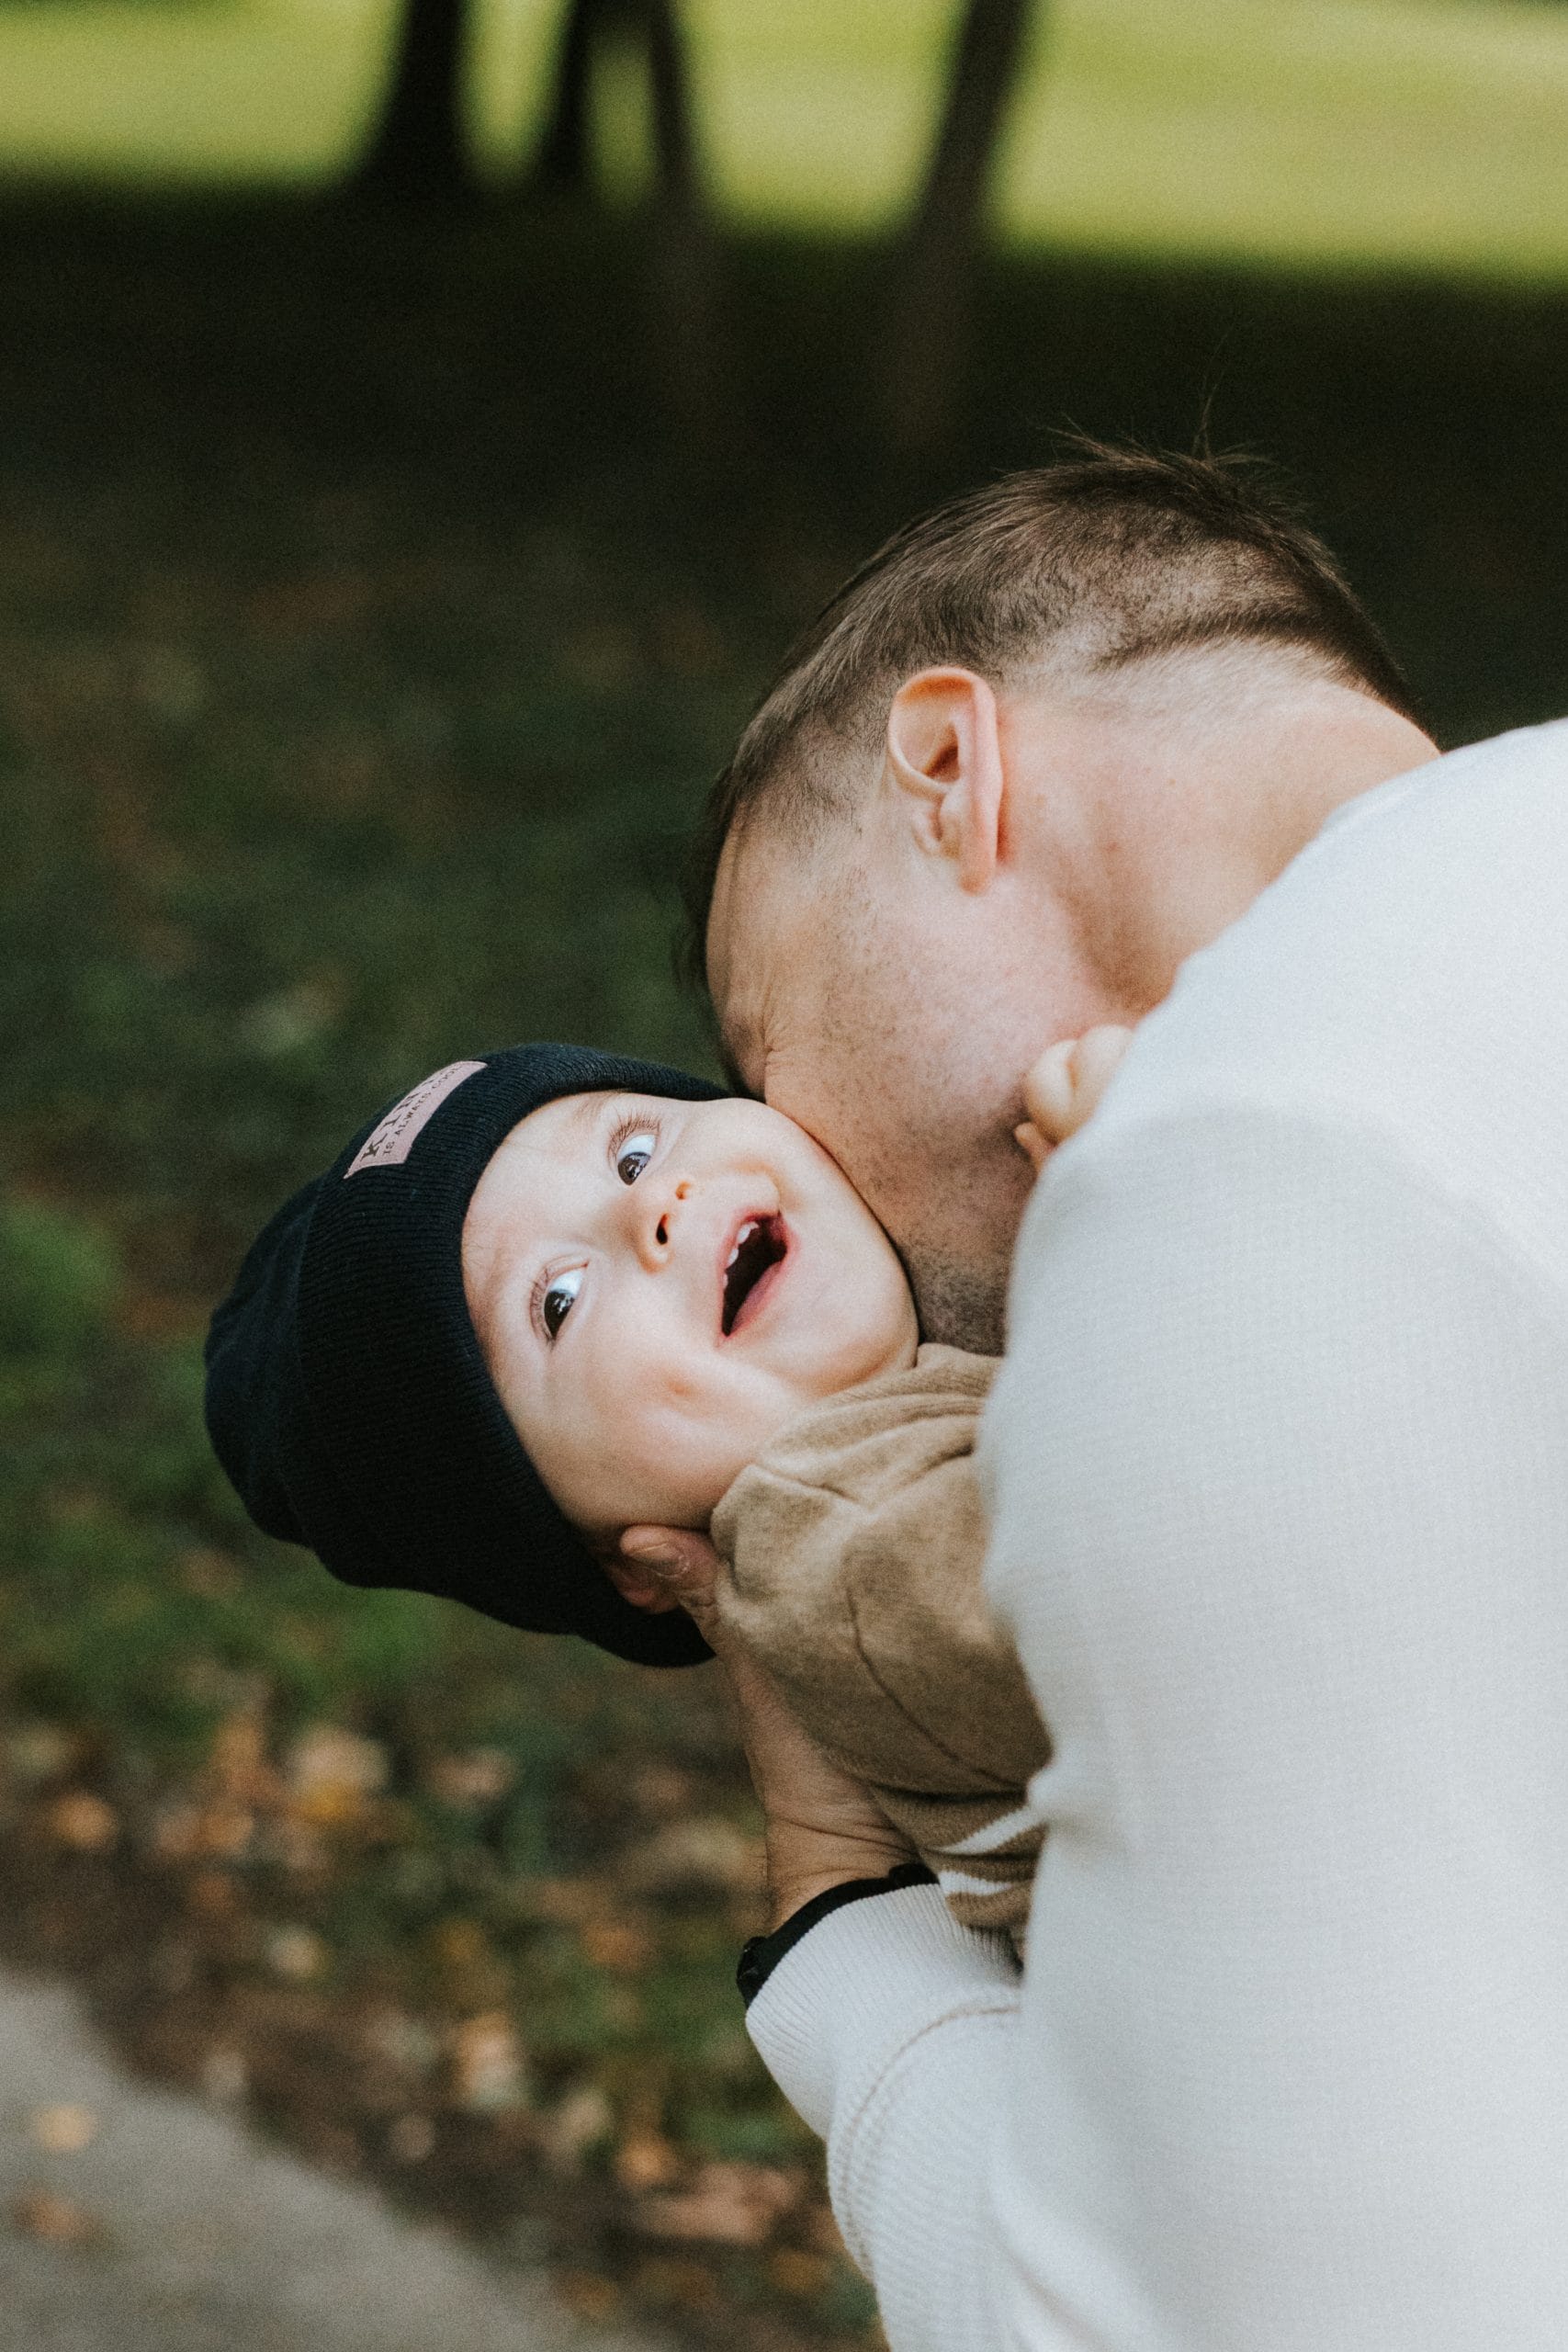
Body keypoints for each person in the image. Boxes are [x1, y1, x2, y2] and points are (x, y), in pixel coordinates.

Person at [633, 446, 1568, 2349]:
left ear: (945, 770)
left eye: (765, 1037)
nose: (791, 1144)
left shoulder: (1213, 1196)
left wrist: (841, 1930)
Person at [202, 1030, 1125, 1941]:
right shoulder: (840, 1555)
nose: (652, 1204)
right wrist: (1138, 1203)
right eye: (558, 1301)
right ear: (631, 1566)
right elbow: (1147, 1570)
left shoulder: (928, 1410)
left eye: (633, 1150)